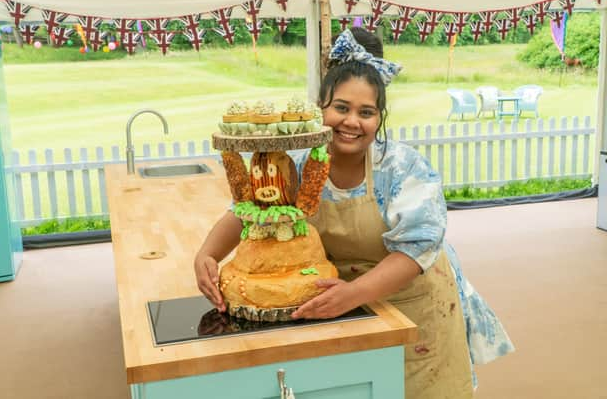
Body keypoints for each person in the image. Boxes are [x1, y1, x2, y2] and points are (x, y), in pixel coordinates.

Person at [194, 27, 514, 398]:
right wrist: (208, 253)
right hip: (338, 302)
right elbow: (249, 212)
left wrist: (353, 293)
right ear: (321, 109)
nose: (351, 122)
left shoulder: (402, 167)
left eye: (366, 112)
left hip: (411, 301)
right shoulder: (297, 163)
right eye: (341, 108)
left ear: (380, 118)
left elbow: (415, 251)